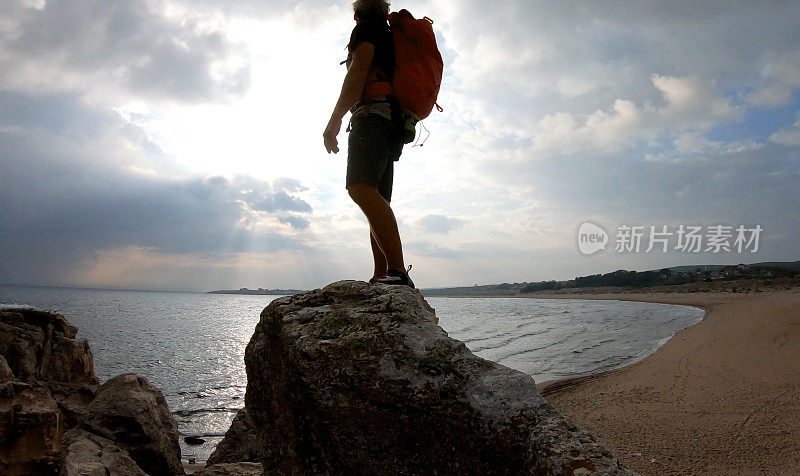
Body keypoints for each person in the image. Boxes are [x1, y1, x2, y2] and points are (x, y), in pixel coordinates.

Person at [323, 0, 414, 288]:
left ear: (356, 14)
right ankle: (382, 274)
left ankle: (397, 271)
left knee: (360, 188)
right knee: (377, 200)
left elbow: (358, 72)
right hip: (392, 122)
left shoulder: (367, 31)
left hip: (372, 115)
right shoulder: (387, 34)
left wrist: (335, 119)